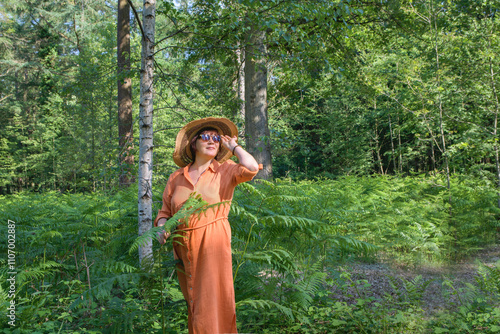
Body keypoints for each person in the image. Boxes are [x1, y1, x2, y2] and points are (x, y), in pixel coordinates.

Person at [154, 117, 261, 334]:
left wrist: (234, 146)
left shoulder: (226, 170)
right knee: (194, 303)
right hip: (183, 246)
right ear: (193, 143)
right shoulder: (176, 177)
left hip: (213, 243)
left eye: (216, 138)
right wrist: (163, 227)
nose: (212, 141)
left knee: (213, 301)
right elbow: (165, 211)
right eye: (206, 137)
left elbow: (251, 167)